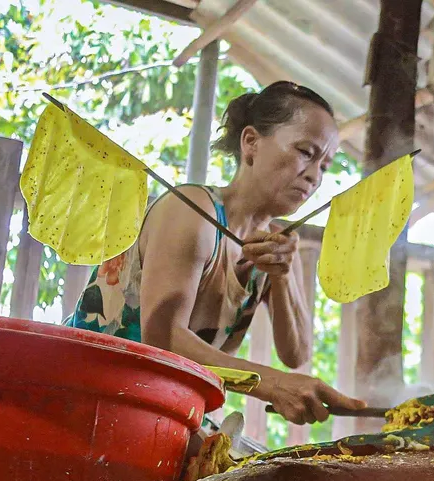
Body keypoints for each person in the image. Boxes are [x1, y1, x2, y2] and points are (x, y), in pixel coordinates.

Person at [68, 81, 365, 425]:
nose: (314, 176)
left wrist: (281, 277)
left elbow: (296, 353)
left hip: (162, 411)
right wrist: (272, 385)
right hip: (92, 398)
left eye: (325, 166)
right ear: (251, 143)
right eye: (305, 152)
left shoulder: (276, 242)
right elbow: (163, 338)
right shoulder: (194, 211)